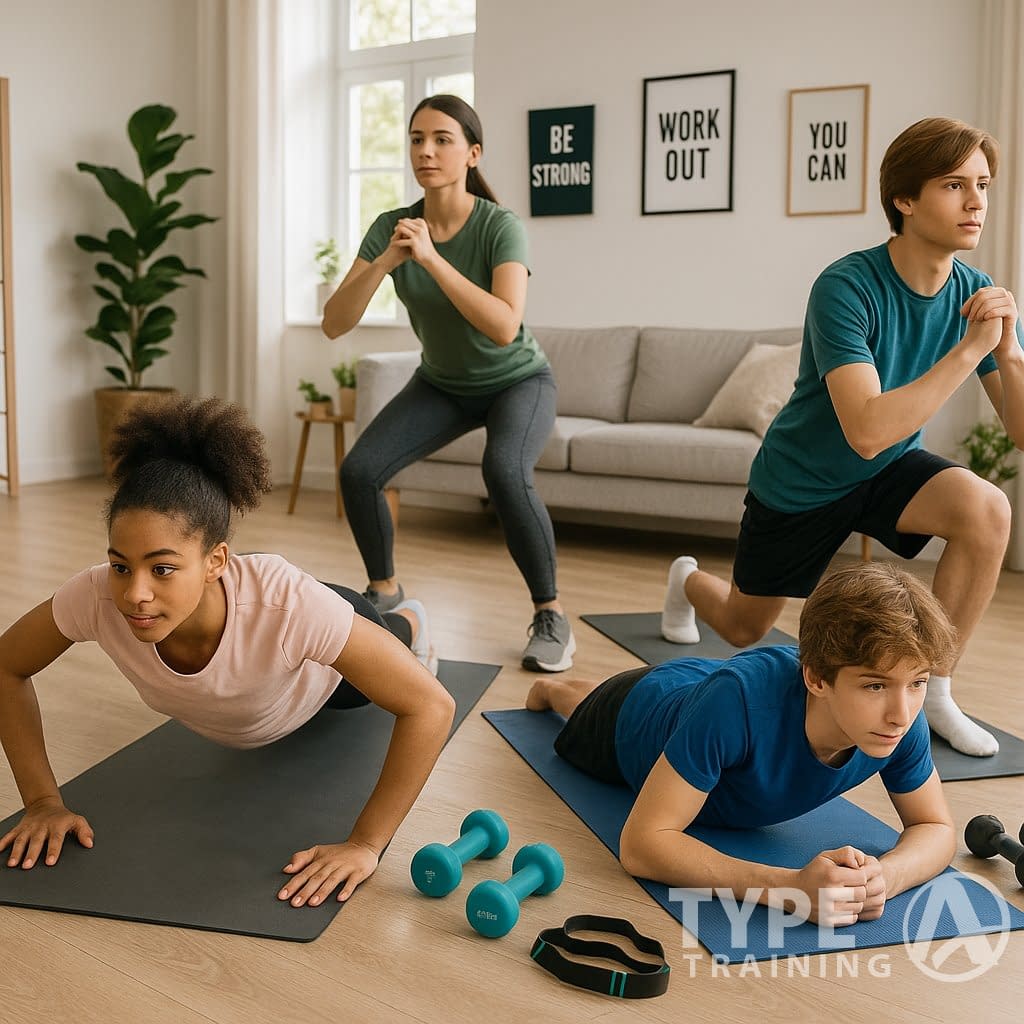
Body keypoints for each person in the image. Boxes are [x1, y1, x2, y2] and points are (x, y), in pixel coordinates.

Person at [0, 397, 456, 908]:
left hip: (324, 681)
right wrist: (41, 802)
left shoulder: (290, 608)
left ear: (217, 559)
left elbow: (432, 707)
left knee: (389, 636)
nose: (135, 594)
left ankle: (410, 614)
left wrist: (366, 845)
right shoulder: (98, 596)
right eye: (120, 565)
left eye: (163, 568)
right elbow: (6, 666)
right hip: (267, 635)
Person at [661, 116, 1023, 757]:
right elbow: (865, 429)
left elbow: (1019, 433)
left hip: (888, 471)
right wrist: (971, 351)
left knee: (987, 509)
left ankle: (934, 692)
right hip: (803, 481)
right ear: (904, 200)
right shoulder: (846, 286)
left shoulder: (975, 293)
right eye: (953, 185)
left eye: (983, 185)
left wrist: (1010, 352)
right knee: (746, 626)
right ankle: (687, 580)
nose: (976, 203)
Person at [530, 563, 957, 927]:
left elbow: (935, 828)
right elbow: (642, 845)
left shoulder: (900, 721)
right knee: (577, 702)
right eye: (875, 685)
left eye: (918, 682)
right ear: (817, 678)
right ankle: (553, 689)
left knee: (723, 701)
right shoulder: (736, 704)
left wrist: (884, 877)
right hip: (635, 711)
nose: (901, 713)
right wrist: (789, 889)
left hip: (718, 693)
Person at [322, 94, 575, 673]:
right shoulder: (392, 227)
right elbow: (335, 324)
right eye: (416, 139)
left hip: (519, 381)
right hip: (442, 384)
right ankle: (384, 596)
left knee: (504, 471)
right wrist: (386, 261)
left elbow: (506, 326)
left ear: (472, 153)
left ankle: (550, 613)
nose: (426, 150)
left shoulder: (499, 226)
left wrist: (433, 260)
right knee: (360, 472)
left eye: (441, 139)